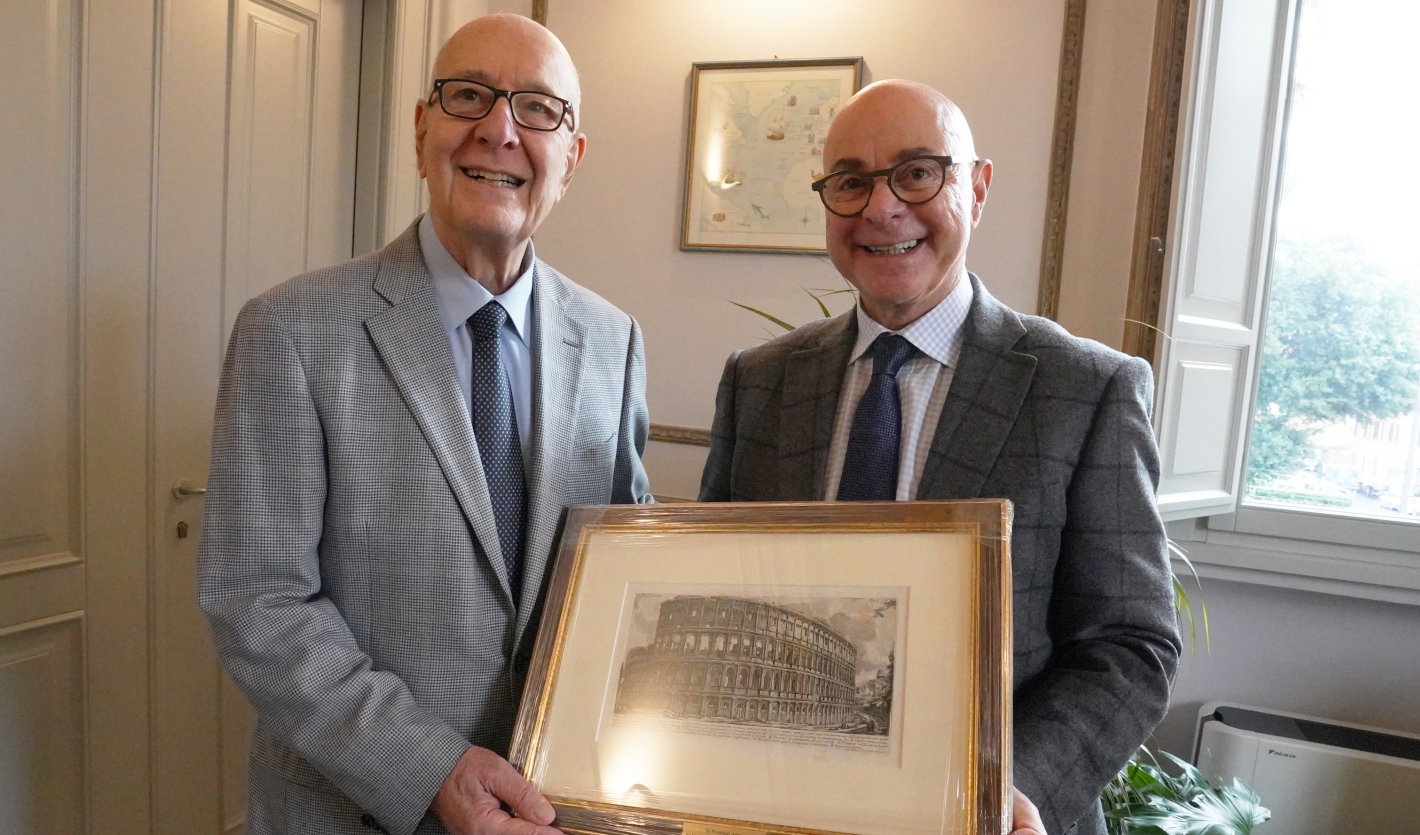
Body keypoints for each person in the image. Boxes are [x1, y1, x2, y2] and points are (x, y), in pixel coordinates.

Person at [198, 14, 650, 835]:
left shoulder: (613, 339)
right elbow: (256, 596)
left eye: (538, 109)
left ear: (572, 158)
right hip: (350, 810)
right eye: (468, 96)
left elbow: (624, 573)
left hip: (551, 808)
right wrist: (430, 766)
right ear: (421, 130)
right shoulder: (290, 328)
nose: (500, 129)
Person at [698, 80, 1180, 835]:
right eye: (851, 182)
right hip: (772, 809)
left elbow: (1131, 643)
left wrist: (1012, 790)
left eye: (918, 172)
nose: (883, 208)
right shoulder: (758, 381)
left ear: (977, 187)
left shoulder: (1085, 390)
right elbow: (714, 589)